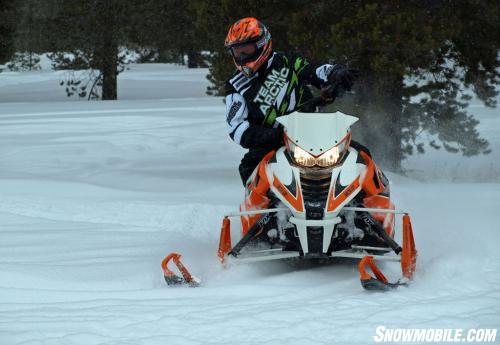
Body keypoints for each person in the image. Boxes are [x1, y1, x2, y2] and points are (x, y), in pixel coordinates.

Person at [224, 17, 359, 185]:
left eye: (246, 50)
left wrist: (334, 72)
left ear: (261, 44)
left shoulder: (288, 61)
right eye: (237, 52)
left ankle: (376, 202)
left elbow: (314, 69)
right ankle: (260, 211)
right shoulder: (235, 85)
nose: (242, 57)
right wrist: (273, 136)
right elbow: (236, 127)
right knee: (249, 169)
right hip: (271, 143)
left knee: (360, 156)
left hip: (313, 131)